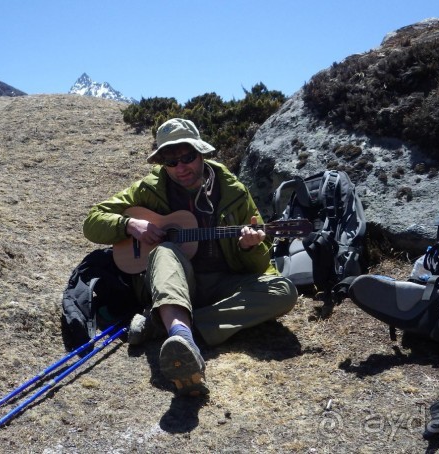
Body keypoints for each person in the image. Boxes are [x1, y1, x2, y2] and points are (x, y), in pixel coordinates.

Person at [82, 118, 298, 397]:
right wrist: (128, 225)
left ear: (201, 153)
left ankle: (166, 327)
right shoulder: (148, 190)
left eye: (187, 157)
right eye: (171, 162)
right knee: (164, 250)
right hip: (172, 282)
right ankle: (182, 334)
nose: (181, 167)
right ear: (162, 163)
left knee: (284, 291)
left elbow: (259, 265)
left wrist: (250, 247)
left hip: (223, 284)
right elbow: (92, 221)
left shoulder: (233, 192)